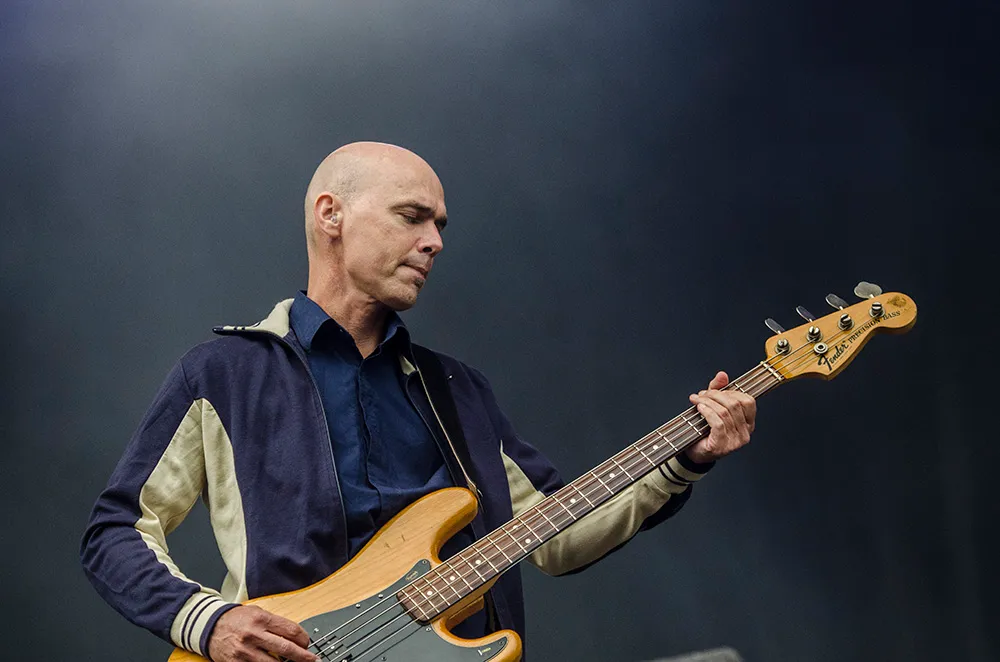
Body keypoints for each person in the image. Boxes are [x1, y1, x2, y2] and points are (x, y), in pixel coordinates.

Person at [80, 142, 756, 662]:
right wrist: (209, 622)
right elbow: (117, 531)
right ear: (331, 215)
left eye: (439, 224)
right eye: (412, 217)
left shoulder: (458, 391)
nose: (434, 241)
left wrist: (684, 460)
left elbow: (558, 535)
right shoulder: (224, 373)